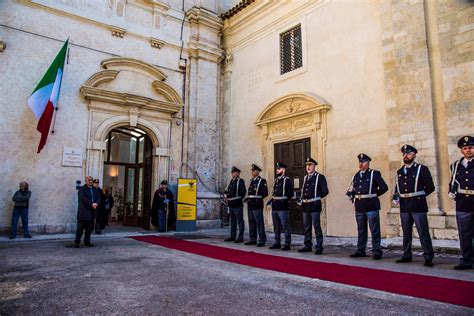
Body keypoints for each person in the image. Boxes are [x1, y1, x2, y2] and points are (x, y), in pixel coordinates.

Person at [393, 145, 435, 267]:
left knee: (423, 232)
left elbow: (430, 187)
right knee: (406, 232)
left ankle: (428, 256)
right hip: (404, 206)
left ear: (414, 155)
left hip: (418, 205)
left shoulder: (422, 169)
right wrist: (396, 196)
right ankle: (406, 254)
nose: (406, 156)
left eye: (409, 153)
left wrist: (419, 197)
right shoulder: (399, 172)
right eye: (404, 154)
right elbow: (397, 188)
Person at [346, 154, 388, 260]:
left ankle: (377, 250)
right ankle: (360, 250)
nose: (361, 164)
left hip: (371, 205)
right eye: (360, 162)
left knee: (374, 229)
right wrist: (352, 194)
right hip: (359, 206)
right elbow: (355, 189)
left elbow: (384, 187)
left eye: (363, 162)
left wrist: (374, 195)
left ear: (368, 163)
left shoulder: (374, 174)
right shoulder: (356, 175)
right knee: (361, 229)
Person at [449, 136, 474, 270]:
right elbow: (453, 181)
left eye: (470, 147)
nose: (468, 150)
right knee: (464, 234)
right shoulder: (455, 165)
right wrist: (451, 191)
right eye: (465, 148)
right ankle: (466, 260)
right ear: (461, 151)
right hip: (463, 203)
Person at [298, 158, 329, 255]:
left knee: (316, 226)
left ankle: (319, 246)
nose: (308, 167)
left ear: (314, 166)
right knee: (306, 226)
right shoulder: (305, 178)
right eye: (307, 165)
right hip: (306, 205)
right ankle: (307, 245)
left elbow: (325, 191)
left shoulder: (320, 177)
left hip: (315, 205)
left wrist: (316, 197)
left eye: (310, 165)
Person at [268, 162, 294, 251]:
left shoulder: (286, 180)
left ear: (283, 170)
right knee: (276, 226)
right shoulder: (276, 180)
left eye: (278, 169)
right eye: (277, 169)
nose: (277, 170)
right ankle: (277, 242)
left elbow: (290, 193)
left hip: (283, 206)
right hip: (275, 206)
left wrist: (284, 200)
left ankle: (287, 243)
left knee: (285, 225)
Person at [244, 164, 268, 247]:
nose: (252, 172)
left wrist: (257, 198)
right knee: (251, 223)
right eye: (252, 170)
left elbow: (265, 193)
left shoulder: (262, 181)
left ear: (258, 171)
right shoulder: (252, 181)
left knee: (259, 223)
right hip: (250, 204)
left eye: (254, 170)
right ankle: (252, 239)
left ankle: (262, 240)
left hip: (257, 204)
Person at [75, 176, 100, 248]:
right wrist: (91, 204)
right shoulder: (82, 189)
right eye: (89, 180)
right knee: (80, 229)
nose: (90, 181)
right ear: (85, 181)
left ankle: (87, 242)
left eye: (91, 180)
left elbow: (98, 198)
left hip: (91, 212)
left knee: (89, 229)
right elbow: (83, 199)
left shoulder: (95, 189)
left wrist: (96, 203)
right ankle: (77, 242)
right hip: (83, 212)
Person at [224, 166, 247, 243]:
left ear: (237, 173)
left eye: (234, 172)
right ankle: (232, 236)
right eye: (232, 172)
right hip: (231, 204)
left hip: (237, 204)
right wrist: (226, 195)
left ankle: (240, 237)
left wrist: (238, 199)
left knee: (240, 221)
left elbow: (243, 191)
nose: (232, 174)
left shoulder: (240, 181)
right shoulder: (232, 181)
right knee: (233, 221)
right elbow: (227, 191)